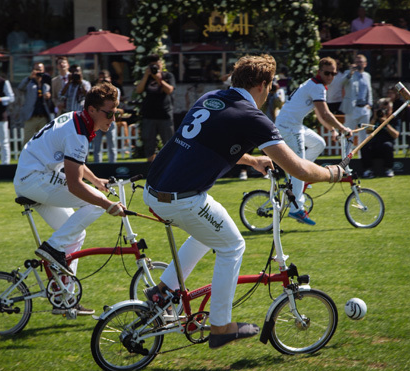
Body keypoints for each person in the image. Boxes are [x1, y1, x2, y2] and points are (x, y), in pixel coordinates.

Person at [142, 54, 348, 350]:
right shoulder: (252, 117)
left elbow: (212, 143)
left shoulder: (212, 97)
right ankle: (221, 326)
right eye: (271, 85)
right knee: (233, 246)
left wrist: (252, 160)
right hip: (181, 198)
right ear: (263, 85)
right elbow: (300, 170)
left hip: (155, 190)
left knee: (208, 232)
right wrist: (332, 173)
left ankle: (162, 291)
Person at [13, 83, 126, 315]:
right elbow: (74, 185)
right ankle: (53, 247)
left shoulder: (76, 118)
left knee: (78, 232)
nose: (113, 119)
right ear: (93, 110)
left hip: (33, 177)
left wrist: (96, 181)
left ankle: (66, 296)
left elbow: (76, 163)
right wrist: (107, 204)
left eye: (116, 112)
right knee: (95, 204)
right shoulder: (78, 133)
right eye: (109, 113)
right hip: (35, 179)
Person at [276, 57, 352, 225]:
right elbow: (325, 114)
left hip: (292, 124)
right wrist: (343, 129)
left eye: (333, 73)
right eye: (327, 73)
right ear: (319, 72)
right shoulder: (317, 87)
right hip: (290, 127)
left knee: (319, 143)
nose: (330, 77)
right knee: (299, 167)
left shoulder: (315, 84)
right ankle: (296, 208)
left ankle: (296, 177)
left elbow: (320, 115)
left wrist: (332, 129)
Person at [135, 53, 176, 162]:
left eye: (157, 65)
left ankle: (168, 164)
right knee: (149, 143)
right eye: (152, 66)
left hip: (165, 114)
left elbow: (169, 90)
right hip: (149, 115)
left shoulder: (168, 76)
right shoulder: (146, 77)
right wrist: (146, 75)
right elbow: (138, 90)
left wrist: (159, 78)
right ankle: (150, 166)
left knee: (168, 142)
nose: (155, 68)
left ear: (161, 64)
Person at [361, 98, 399, 178]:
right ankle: (368, 170)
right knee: (364, 146)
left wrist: (385, 123)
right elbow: (368, 131)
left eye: (387, 109)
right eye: (382, 109)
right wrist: (375, 118)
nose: (384, 111)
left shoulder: (394, 119)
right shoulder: (375, 118)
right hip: (375, 143)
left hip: (386, 143)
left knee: (387, 146)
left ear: (391, 109)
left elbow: (395, 135)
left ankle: (388, 169)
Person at [341, 54, 372, 149]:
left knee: (363, 134)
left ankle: (363, 157)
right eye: (357, 62)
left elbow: (369, 90)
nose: (359, 64)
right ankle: (346, 156)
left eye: (361, 62)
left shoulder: (367, 75)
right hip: (352, 108)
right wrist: (350, 73)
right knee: (349, 133)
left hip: (364, 108)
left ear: (365, 64)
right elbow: (342, 83)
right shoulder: (349, 73)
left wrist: (370, 104)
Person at [18, 62, 52, 146]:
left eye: (39, 70)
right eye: (36, 69)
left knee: (44, 141)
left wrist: (48, 96)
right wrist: (29, 77)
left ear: (43, 71)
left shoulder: (46, 84)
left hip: (43, 117)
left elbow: (53, 96)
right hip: (31, 116)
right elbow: (20, 88)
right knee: (27, 141)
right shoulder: (29, 82)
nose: (38, 72)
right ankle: (25, 158)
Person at [92, 70, 120, 163]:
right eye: (101, 78)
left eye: (105, 78)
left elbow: (115, 104)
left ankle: (112, 165)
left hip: (110, 120)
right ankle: (97, 166)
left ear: (110, 79)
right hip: (98, 120)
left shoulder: (116, 90)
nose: (104, 80)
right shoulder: (95, 91)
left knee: (112, 145)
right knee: (97, 146)